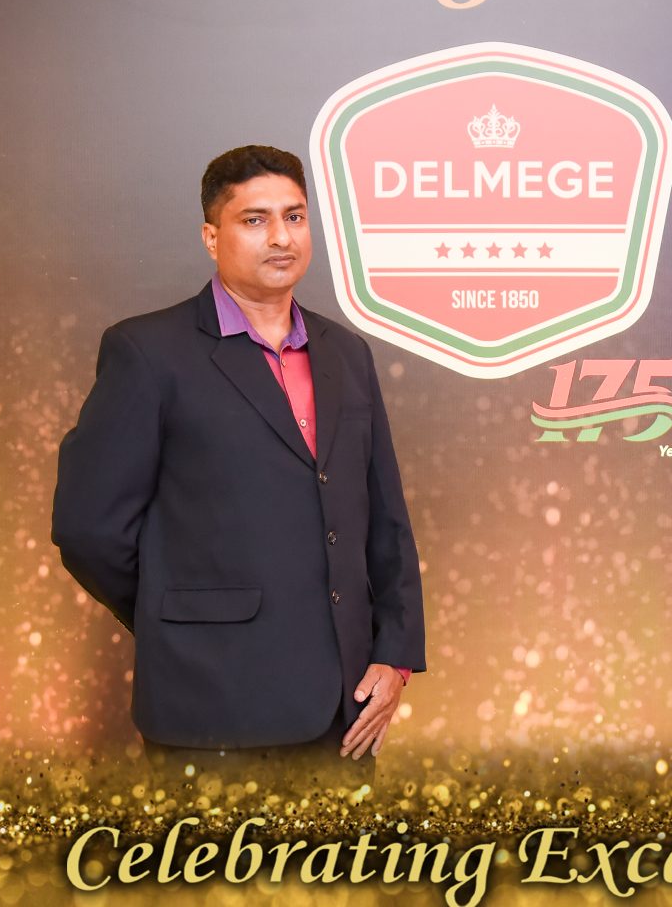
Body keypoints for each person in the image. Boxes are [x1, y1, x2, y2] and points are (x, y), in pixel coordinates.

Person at [51, 144, 425, 769]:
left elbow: (385, 521)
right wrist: (178, 616)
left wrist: (396, 657)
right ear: (211, 236)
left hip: (345, 712)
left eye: (295, 217)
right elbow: (90, 529)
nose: (281, 237)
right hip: (209, 705)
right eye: (255, 220)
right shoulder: (147, 352)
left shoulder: (346, 353)